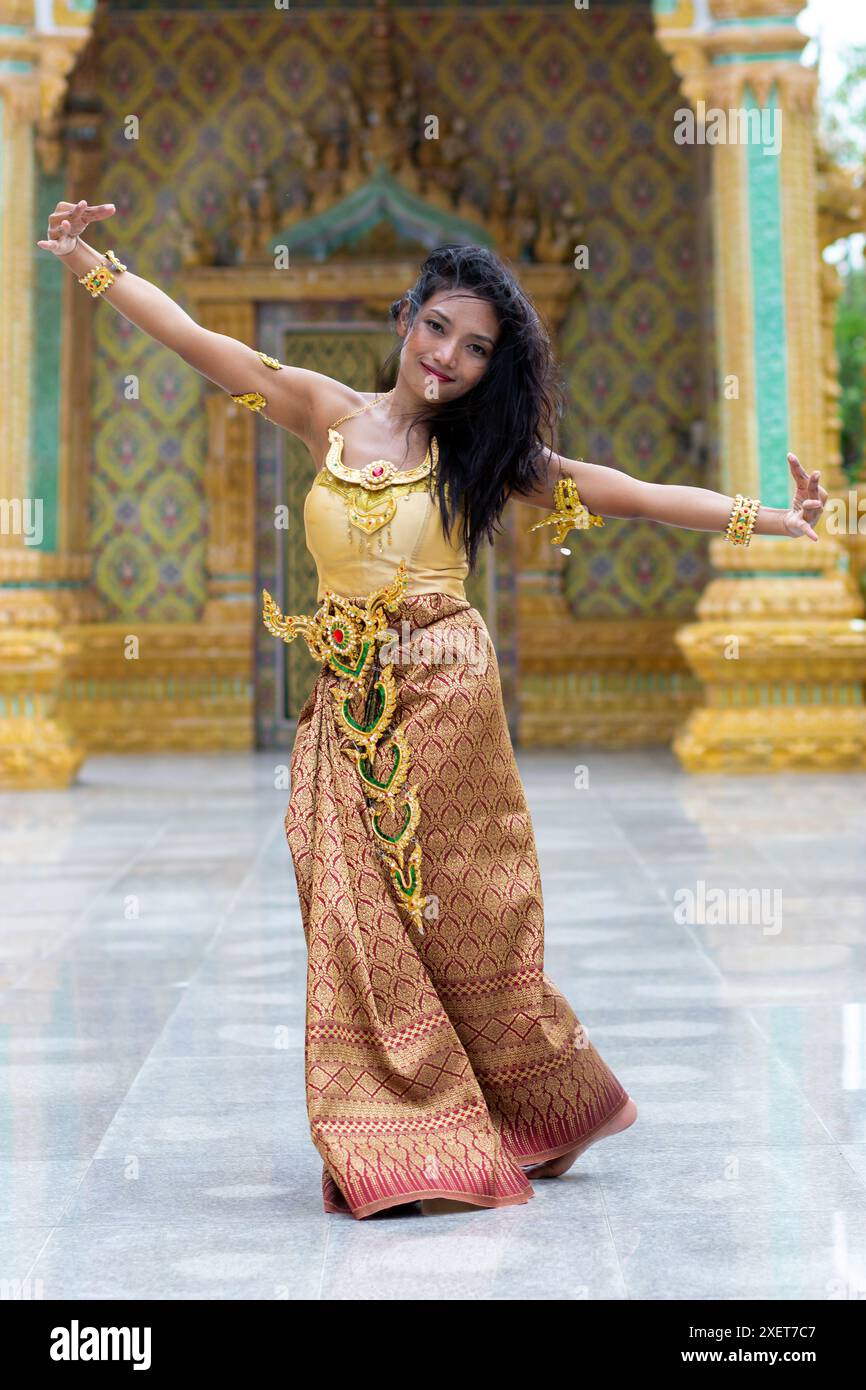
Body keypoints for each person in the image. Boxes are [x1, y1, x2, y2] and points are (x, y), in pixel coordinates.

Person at [39, 203, 827, 1220]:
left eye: (474, 347)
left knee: (467, 918)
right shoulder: (320, 410)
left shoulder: (485, 455)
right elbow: (201, 341)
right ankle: (406, 1134)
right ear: (405, 318)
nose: (447, 356)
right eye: (435, 328)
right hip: (346, 700)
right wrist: (87, 261)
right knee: (352, 914)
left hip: (447, 690)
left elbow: (616, 488)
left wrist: (763, 517)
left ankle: (539, 1102)